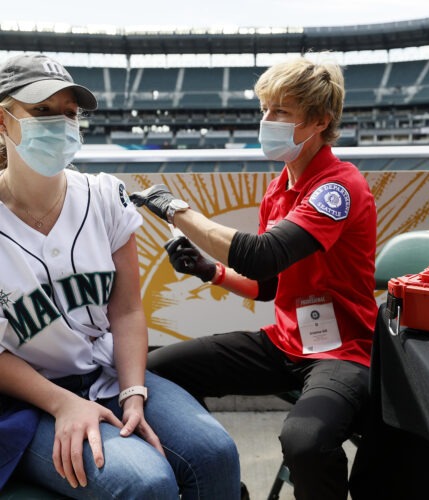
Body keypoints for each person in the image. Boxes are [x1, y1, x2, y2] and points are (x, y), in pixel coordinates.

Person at [130, 57, 378, 500]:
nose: (267, 121)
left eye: (281, 111)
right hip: (285, 343)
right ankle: (227, 489)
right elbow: (270, 286)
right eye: (265, 109)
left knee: (305, 441)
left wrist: (176, 209)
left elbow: (263, 256)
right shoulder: (279, 188)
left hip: (343, 352)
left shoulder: (338, 188)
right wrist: (212, 272)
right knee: (151, 372)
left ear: (320, 121)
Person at [0, 53, 240, 499]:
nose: (58, 124)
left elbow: (127, 309)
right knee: (145, 483)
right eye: (41, 111)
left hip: (107, 373)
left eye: (69, 113)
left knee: (216, 455)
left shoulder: (105, 196)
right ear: (3, 120)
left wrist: (133, 391)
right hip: (28, 402)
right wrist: (63, 403)